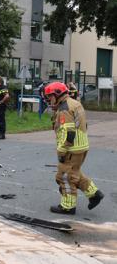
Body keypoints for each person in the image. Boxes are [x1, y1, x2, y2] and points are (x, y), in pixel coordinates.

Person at [44, 82, 104, 215]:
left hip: (71, 149)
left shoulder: (65, 109)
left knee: (64, 176)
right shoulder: (74, 103)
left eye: (50, 96)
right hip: (81, 146)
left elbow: (69, 133)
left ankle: (67, 206)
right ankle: (94, 194)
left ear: (57, 94)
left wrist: (62, 150)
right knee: (75, 173)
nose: (49, 100)